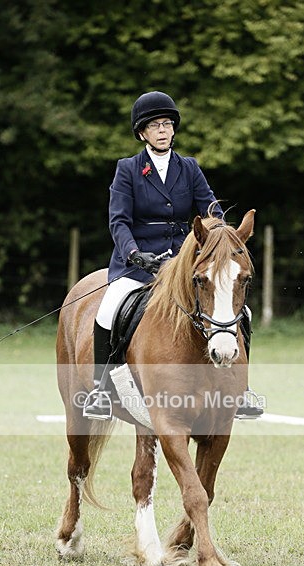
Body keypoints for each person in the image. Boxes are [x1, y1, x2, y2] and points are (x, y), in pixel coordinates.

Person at [83, 90, 261, 420]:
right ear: (142, 133)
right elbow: (118, 220)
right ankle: (100, 390)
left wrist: (222, 237)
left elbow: (211, 209)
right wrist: (134, 254)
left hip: (183, 263)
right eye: (155, 125)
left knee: (242, 313)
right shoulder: (128, 169)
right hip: (138, 263)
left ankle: (242, 389)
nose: (163, 130)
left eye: (167, 124)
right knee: (108, 309)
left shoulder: (189, 168)